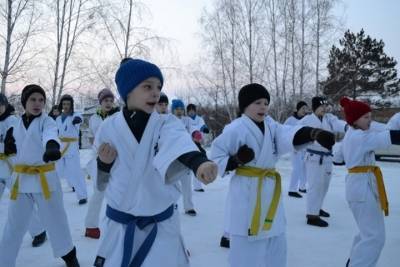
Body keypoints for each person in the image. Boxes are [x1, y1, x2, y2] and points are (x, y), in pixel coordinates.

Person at [92, 58, 218, 267]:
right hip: (120, 227)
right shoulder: (108, 128)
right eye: (147, 86)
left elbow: (180, 145)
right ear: (128, 91)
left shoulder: (166, 123)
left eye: (158, 87)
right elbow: (100, 183)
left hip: (160, 228)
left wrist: (199, 163)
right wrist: (104, 163)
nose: (155, 92)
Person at [210, 83, 335, 267]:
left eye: (266, 103)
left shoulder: (271, 125)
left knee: (276, 241)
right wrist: (236, 160)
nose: (263, 107)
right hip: (247, 190)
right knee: (246, 246)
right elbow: (216, 156)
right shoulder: (235, 128)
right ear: (245, 106)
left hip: (269, 189)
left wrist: (313, 134)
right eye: (258, 102)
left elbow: (288, 134)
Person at [0, 84, 79, 267]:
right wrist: (9, 145)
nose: (38, 103)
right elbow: (13, 144)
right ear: (24, 102)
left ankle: (70, 256)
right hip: (21, 181)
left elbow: (50, 134)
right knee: (13, 225)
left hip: (44, 180)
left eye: (41, 100)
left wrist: (52, 146)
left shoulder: (47, 121)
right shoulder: (17, 124)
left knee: (56, 221)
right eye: (33, 99)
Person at [334, 97, 400, 267]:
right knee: (374, 237)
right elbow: (387, 137)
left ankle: (354, 262)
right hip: (361, 188)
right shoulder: (359, 137)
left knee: (367, 233)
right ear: (354, 120)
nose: (370, 121)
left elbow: (338, 157)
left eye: (370, 117)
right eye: (366, 117)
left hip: (360, 186)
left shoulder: (352, 134)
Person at [299, 96, 347, 227]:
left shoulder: (329, 118)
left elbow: (338, 124)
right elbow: (298, 135)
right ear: (315, 107)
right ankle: (312, 216)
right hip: (314, 158)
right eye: (321, 106)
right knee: (315, 186)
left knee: (324, 186)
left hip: (327, 157)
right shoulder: (306, 120)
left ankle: (317, 208)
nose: (324, 109)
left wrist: (348, 127)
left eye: (325, 106)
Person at [84, 88, 119, 239]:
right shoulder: (94, 118)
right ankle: (91, 226)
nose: (109, 103)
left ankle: (120, 225)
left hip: (117, 159)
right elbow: (92, 137)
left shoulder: (119, 116)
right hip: (99, 160)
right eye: (106, 100)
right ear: (100, 102)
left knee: (119, 192)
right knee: (98, 192)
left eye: (111, 101)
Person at [56, 94, 87, 205]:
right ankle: (53, 194)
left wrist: (77, 120)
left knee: (75, 171)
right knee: (57, 171)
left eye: (68, 104)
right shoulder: (58, 118)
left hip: (71, 146)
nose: (66, 106)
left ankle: (82, 195)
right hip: (60, 146)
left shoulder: (75, 115)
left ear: (71, 105)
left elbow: (80, 120)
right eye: (64, 104)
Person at [171, 99, 198, 216]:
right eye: (177, 109)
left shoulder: (187, 120)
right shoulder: (168, 120)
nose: (179, 111)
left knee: (187, 184)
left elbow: (193, 128)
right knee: (172, 184)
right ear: (172, 110)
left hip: (186, 156)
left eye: (181, 109)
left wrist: (196, 133)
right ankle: (171, 205)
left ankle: (189, 207)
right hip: (173, 157)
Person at [284, 101, 308, 198]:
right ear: (297, 109)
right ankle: (292, 189)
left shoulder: (307, 120)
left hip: (305, 148)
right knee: (297, 168)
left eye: (306, 109)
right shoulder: (290, 120)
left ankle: (302, 187)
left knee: (305, 168)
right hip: (295, 148)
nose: (304, 110)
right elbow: (284, 132)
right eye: (303, 108)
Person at [187, 103, 210, 192]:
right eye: (189, 111)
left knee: (199, 161)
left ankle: (198, 186)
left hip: (197, 142)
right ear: (187, 112)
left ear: (195, 111)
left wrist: (204, 129)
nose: (191, 113)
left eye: (193, 111)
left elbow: (202, 126)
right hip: (189, 143)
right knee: (189, 166)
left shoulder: (199, 119)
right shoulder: (186, 120)